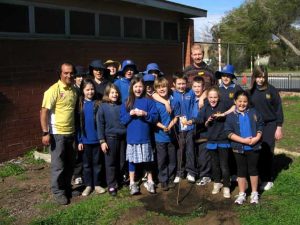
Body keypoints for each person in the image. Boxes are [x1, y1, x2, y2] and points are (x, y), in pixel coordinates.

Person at [40, 61, 78, 205]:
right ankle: (58, 192)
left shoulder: (74, 90)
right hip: (57, 134)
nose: (69, 75)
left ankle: (67, 188)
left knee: (70, 164)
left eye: (71, 73)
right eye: (66, 73)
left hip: (71, 133)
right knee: (58, 165)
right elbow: (44, 112)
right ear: (60, 74)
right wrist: (45, 132)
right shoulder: (53, 90)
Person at [120, 77, 158, 195]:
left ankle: (150, 180)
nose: (138, 89)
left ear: (144, 88)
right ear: (132, 88)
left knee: (147, 159)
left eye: (140, 86)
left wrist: (145, 114)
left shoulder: (149, 101)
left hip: (145, 137)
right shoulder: (127, 102)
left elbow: (155, 117)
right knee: (132, 160)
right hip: (132, 138)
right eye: (135, 86)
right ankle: (132, 182)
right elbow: (123, 120)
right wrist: (130, 114)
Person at [225, 90, 263, 204]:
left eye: (245, 101)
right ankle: (242, 193)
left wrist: (256, 138)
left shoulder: (254, 112)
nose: (242, 104)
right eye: (240, 101)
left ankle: (254, 193)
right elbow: (228, 132)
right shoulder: (231, 116)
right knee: (241, 171)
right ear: (235, 101)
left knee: (253, 170)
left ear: (248, 102)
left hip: (253, 147)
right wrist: (243, 141)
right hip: (238, 148)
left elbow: (261, 124)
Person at [249, 66, 284, 191]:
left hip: (270, 125)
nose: (261, 80)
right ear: (254, 77)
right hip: (255, 125)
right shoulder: (250, 91)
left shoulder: (272, 90)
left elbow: (278, 110)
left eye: (263, 77)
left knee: (267, 151)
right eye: (258, 77)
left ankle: (268, 179)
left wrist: (278, 127)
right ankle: (257, 176)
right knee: (255, 151)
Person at [197, 87, 233, 198]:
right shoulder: (206, 107)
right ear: (207, 98)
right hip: (211, 140)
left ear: (219, 97)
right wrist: (207, 121)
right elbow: (201, 121)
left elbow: (234, 106)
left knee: (224, 165)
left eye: (215, 97)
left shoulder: (223, 104)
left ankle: (226, 186)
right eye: (211, 97)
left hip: (223, 139)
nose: (213, 99)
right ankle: (217, 183)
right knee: (215, 164)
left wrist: (224, 114)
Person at [76, 78, 106, 197]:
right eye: (87, 89)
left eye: (92, 89)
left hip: (97, 140)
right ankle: (88, 185)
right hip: (85, 140)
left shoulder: (99, 103)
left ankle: (97, 184)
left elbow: (103, 122)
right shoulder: (80, 104)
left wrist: (102, 139)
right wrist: (79, 140)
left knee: (97, 163)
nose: (90, 92)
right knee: (87, 164)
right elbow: (77, 124)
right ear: (83, 90)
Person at [97, 84, 127, 196]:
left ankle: (119, 180)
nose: (115, 95)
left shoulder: (122, 105)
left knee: (122, 161)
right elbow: (100, 124)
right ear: (107, 94)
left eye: (116, 92)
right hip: (110, 139)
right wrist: (102, 141)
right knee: (110, 163)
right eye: (112, 93)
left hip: (122, 138)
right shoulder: (103, 107)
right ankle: (111, 185)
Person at [215, 64, 243, 182]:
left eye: (228, 76)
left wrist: (225, 114)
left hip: (233, 123)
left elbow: (239, 105)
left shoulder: (237, 88)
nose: (225, 78)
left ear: (232, 77)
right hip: (220, 123)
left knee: (234, 148)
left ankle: (236, 173)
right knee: (224, 149)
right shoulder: (218, 89)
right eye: (223, 75)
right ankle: (224, 174)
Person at [153, 77, 179, 191]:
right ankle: (163, 180)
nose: (161, 89)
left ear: (167, 87)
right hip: (160, 137)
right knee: (162, 159)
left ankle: (171, 177)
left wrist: (170, 126)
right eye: (158, 87)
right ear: (156, 90)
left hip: (172, 136)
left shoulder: (173, 101)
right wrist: (163, 127)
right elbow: (154, 120)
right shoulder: (155, 103)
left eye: (163, 86)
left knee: (172, 159)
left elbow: (176, 117)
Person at [172, 72, 197, 184]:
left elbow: (194, 108)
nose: (181, 86)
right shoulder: (172, 94)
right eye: (179, 84)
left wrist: (191, 120)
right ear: (174, 84)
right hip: (178, 128)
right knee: (180, 151)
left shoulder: (191, 93)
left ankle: (191, 172)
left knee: (190, 150)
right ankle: (179, 173)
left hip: (190, 126)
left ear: (187, 84)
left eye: (183, 83)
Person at [189, 76, 212, 186]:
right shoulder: (190, 98)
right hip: (191, 129)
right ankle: (196, 173)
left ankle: (205, 175)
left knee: (203, 154)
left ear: (203, 87)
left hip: (203, 129)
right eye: (195, 86)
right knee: (194, 153)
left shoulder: (206, 101)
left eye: (199, 86)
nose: (197, 89)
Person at [183, 43, 216, 108]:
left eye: (199, 54)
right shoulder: (187, 71)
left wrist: (204, 95)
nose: (197, 57)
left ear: (203, 54)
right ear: (191, 56)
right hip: (190, 106)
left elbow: (215, 87)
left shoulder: (210, 70)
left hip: (207, 105)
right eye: (195, 55)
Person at [72, 65, 87, 185]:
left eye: (82, 76)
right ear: (75, 78)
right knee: (77, 150)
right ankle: (77, 174)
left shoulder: (86, 88)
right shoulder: (73, 90)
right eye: (78, 76)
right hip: (75, 121)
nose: (81, 78)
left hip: (85, 121)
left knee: (84, 150)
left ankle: (84, 173)